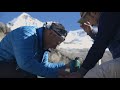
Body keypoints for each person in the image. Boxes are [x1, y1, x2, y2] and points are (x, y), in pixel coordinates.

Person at [0, 21, 69, 78]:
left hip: (12, 67)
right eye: (57, 43)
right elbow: (25, 63)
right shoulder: (26, 34)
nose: (55, 47)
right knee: (25, 74)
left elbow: (44, 66)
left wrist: (66, 66)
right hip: (3, 64)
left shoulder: (43, 44)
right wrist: (57, 74)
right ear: (50, 33)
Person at [61, 12, 120, 78]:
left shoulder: (107, 15)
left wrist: (81, 72)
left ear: (93, 13)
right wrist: (90, 32)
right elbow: (106, 38)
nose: (88, 22)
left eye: (86, 18)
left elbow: (100, 45)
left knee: (91, 75)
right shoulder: (111, 17)